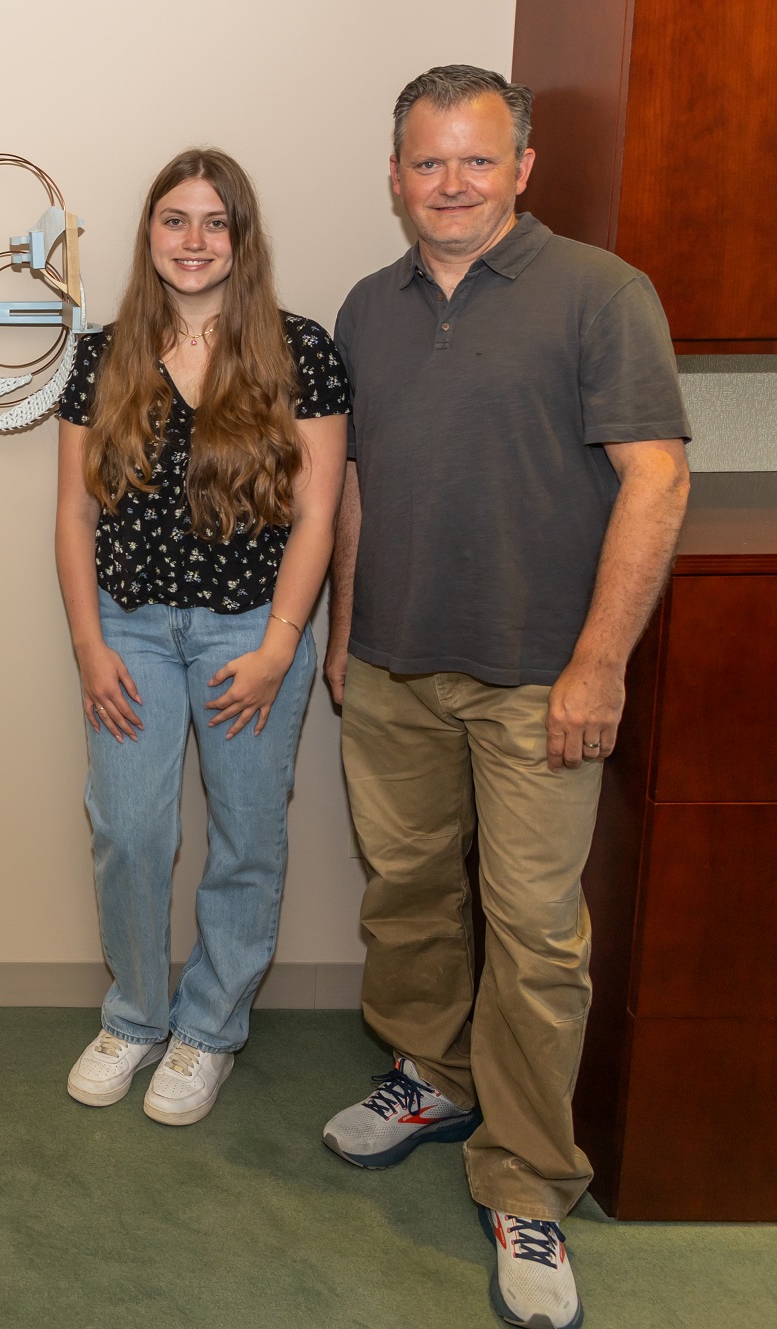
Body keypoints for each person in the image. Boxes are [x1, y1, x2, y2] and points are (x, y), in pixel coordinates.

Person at [320, 66, 690, 1329]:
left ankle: (527, 1178)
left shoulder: (600, 293)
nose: (451, 184)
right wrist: (342, 631)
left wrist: (599, 661)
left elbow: (655, 480)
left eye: (477, 160)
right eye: (427, 163)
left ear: (521, 168)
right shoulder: (365, 309)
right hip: (391, 667)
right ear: (393, 174)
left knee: (534, 939)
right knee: (407, 893)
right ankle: (430, 1071)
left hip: (537, 677)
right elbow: (357, 485)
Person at [54, 149, 349, 1127]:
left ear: (241, 238)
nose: (192, 240)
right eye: (173, 220)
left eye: (213, 222)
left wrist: (278, 645)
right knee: (128, 832)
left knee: (245, 842)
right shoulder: (99, 356)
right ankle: (136, 1015)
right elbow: (70, 514)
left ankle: (207, 1031)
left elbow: (317, 514)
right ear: (148, 236)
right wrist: (90, 648)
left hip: (249, 633)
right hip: (129, 630)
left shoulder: (297, 350)